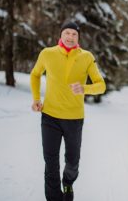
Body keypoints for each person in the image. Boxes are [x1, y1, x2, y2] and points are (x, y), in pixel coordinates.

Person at [30, 21, 106, 201]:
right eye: (67, 33)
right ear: (61, 35)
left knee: (72, 162)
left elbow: (101, 85)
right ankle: (54, 197)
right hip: (50, 117)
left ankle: (68, 183)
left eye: (74, 34)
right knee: (50, 162)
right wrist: (36, 99)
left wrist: (84, 88)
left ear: (78, 37)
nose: (70, 37)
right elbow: (35, 74)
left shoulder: (86, 57)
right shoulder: (47, 53)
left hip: (74, 119)